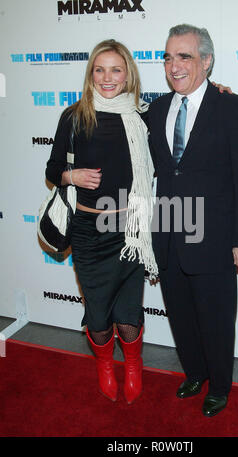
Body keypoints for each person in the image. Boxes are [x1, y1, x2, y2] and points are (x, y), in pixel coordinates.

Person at [148, 24, 238, 417]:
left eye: (185, 56)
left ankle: (221, 384)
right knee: (179, 314)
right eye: (167, 57)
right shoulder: (156, 109)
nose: (174, 65)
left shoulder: (235, 108)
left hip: (214, 237)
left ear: (207, 61)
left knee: (215, 317)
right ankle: (194, 372)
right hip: (167, 232)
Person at [45, 39, 158, 404]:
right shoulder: (74, 116)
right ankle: (106, 366)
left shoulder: (144, 116)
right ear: (91, 73)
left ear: (128, 75)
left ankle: (134, 364)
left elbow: (187, 111)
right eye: (100, 69)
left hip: (131, 231)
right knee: (96, 312)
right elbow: (52, 168)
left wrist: (217, 91)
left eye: (116, 69)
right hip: (89, 232)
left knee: (128, 311)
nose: (107, 77)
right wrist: (71, 176)